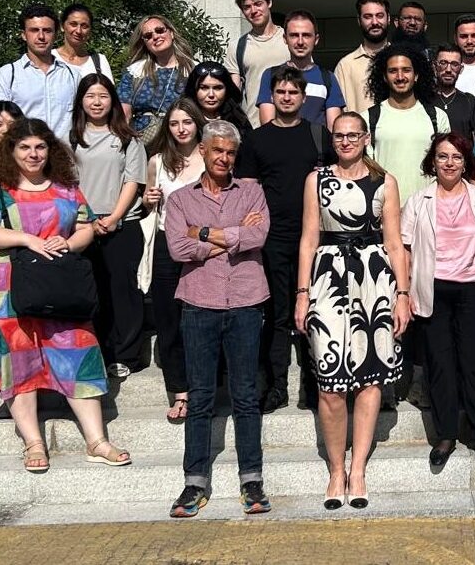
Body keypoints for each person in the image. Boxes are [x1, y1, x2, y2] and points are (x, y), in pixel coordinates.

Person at [0, 118, 130, 471]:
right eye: (25, 147)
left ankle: (97, 441)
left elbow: (86, 227)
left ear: (50, 149)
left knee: (79, 352)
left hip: (60, 284)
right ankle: (33, 442)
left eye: (40, 146)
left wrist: (68, 242)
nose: (33, 154)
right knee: (18, 359)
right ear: (11, 151)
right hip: (7, 284)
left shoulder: (67, 188)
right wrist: (27, 239)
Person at [295, 112, 409, 510]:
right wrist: (302, 293)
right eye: (339, 136)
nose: (345, 141)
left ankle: (357, 468)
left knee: (370, 380)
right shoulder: (316, 180)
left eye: (353, 135)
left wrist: (402, 294)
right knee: (330, 384)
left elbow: (394, 243)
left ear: (365, 138)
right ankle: (335, 469)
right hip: (327, 277)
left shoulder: (385, 181)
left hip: (374, 280)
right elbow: (308, 239)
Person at [165, 120, 271, 517]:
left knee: (245, 395)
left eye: (230, 152)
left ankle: (252, 479)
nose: (224, 158)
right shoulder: (180, 199)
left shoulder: (252, 191)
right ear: (203, 152)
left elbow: (258, 237)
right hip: (199, 303)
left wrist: (203, 233)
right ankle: (194, 482)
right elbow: (177, 249)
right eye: (217, 151)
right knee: (200, 396)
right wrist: (233, 234)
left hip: (245, 301)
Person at [401, 133, 475, 470]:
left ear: (466, 163)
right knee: (440, 365)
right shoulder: (418, 201)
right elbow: (405, 249)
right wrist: (403, 292)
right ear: (432, 162)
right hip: (433, 290)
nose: (449, 163)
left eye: (456, 157)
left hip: (474, 288)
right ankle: (445, 434)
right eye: (442, 156)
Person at [236, 65, 336, 413]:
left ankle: (314, 385)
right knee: (277, 314)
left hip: (316, 238)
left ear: (303, 97)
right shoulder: (256, 139)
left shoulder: (319, 135)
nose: (287, 97)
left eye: (293, 92)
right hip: (273, 239)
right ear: (272, 96)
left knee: (315, 312)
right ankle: (275, 385)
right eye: (280, 92)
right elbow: (248, 189)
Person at [69, 74, 148, 378]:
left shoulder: (128, 139)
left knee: (122, 290)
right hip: (82, 225)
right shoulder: (71, 139)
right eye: (90, 96)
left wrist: (114, 217)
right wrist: (87, 219)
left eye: (103, 96)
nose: (97, 102)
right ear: (81, 101)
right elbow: (68, 183)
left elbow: (133, 181)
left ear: (112, 100)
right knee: (92, 290)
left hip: (122, 223)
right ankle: (97, 351)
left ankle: (126, 354)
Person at [142, 97, 206, 422]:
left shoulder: (212, 158)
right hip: (168, 244)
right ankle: (180, 391)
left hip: (205, 246)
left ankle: (204, 388)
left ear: (197, 124)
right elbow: (149, 204)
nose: (181, 129)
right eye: (174, 123)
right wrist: (147, 198)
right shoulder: (158, 161)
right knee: (169, 320)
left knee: (204, 320)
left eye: (187, 122)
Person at [364, 43, 451, 203]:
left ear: (416, 75)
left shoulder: (438, 117)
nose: (400, 77)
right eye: (393, 71)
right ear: (384, 77)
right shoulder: (368, 118)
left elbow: (446, 165)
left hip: (428, 207)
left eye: (406, 70)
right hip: (385, 208)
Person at [0, 4, 80, 140]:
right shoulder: (8, 74)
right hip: (23, 151)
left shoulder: (72, 75)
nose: (41, 36)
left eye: (47, 31)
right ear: (24, 35)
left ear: (56, 35)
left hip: (63, 152)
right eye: (34, 30)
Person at [256, 9, 345, 129]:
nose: (300, 42)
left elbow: (333, 130)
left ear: (316, 39)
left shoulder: (328, 78)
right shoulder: (271, 75)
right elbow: (267, 128)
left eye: (306, 35)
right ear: (285, 38)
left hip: (316, 141)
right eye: (294, 35)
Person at [116, 14, 195, 136]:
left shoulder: (192, 70)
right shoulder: (135, 71)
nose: (156, 36)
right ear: (144, 43)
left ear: (171, 33)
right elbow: (124, 112)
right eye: (148, 36)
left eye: (160, 30)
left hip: (182, 136)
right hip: (143, 137)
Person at [227, 0, 289, 126]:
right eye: (247, 7)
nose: (253, 10)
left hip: (291, 124)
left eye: (258, 4)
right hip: (254, 127)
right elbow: (232, 95)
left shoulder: (290, 40)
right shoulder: (237, 47)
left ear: (269, 3)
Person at [335, 0, 390, 115]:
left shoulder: (403, 59)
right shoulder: (345, 66)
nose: (375, 22)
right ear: (359, 20)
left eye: (380, 16)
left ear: (389, 18)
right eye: (368, 17)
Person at [183, 60, 252, 136]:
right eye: (204, 88)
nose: (211, 94)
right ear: (194, 90)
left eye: (217, 88)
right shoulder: (183, 119)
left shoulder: (239, 121)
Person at [54, 3, 113, 79]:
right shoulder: (49, 58)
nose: (78, 31)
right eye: (73, 24)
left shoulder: (99, 62)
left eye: (84, 26)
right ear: (62, 26)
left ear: (90, 31)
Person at [430, 43, 475, 137]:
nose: (448, 70)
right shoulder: (425, 100)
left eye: (454, 64)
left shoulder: (469, 101)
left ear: (461, 69)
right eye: (443, 63)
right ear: (434, 66)